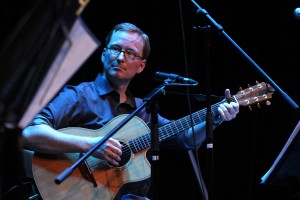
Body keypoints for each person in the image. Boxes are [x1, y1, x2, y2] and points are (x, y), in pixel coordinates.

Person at [22, 22, 239, 200]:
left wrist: (217, 117)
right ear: (103, 54)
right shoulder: (79, 96)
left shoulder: (143, 110)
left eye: (130, 53)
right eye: (115, 49)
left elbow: (185, 140)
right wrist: (90, 145)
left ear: (141, 66)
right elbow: (30, 134)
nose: (120, 57)